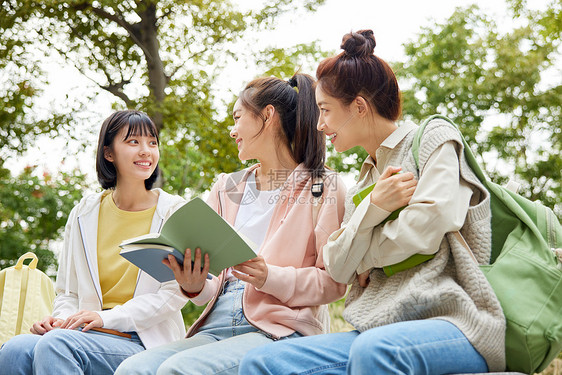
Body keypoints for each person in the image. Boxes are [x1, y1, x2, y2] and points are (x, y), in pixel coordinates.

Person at [239, 30, 506, 375]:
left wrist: (363, 255)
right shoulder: (364, 184)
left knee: (374, 351)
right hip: (376, 327)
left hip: (454, 321)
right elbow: (337, 266)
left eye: (326, 111)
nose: (319, 125)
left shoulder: (433, 140)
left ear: (359, 107)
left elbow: (425, 229)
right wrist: (372, 209)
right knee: (261, 362)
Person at [115, 73, 348, 375]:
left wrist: (269, 277)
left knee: (177, 371)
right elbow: (209, 288)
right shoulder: (227, 188)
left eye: (238, 117)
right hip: (216, 324)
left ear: (267, 116)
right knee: (132, 370)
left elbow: (333, 283)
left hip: (278, 328)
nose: (232, 130)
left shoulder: (322, 186)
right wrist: (194, 284)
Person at [0, 110, 188, 374]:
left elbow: (173, 293)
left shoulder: (173, 212)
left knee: (57, 345)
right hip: (83, 334)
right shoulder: (84, 213)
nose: (146, 151)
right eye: (133, 142)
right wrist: (60, 321)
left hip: (144, 340)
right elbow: (68, 292)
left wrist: (104, 318)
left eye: (152, 142)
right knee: (15, 348)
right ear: (108, 153)